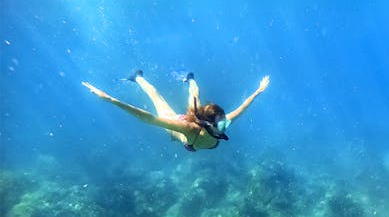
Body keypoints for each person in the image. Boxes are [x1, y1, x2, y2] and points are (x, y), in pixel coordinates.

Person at [81, 71, 270, 151]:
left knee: (195, 94)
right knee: (158, 99)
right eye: (222, 123)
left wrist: (259, 90)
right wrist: (111, 100)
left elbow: (244, 106)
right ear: (208, 123)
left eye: (224, 121)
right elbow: (149, 119)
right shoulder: (190, 128)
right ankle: (137, 77)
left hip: (194, 121)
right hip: (176, 125)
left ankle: (189, 79)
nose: (226, 125)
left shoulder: (223, 122)